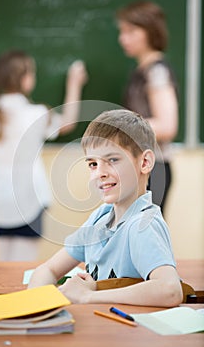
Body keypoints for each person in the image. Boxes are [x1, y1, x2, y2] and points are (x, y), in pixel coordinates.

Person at [28, 109, 183, 307]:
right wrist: (33, 307)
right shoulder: (99, 219)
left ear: (144, 162)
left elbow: (170, 290)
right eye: (93, 164)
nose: (99, 173)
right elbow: (48, 270)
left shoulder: (143, 225)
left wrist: (88, 297)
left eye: (112, 160)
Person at [0, 50, 87, 261]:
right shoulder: (36, 114)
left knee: (5, 265)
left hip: (1, 200)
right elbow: (68, 123)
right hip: (31, 198)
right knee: (22, 268)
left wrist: (0, 174)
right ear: (24, 80)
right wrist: (74, 84)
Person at [116, 1, 179, 215]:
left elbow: (167, 126)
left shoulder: (156, 72)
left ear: (150, 31)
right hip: (143, 166)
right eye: (122, 32)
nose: (122, 38)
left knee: (145, 239)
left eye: (131, 31)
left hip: (154, 168)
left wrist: (119, 127)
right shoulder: (141, 70)